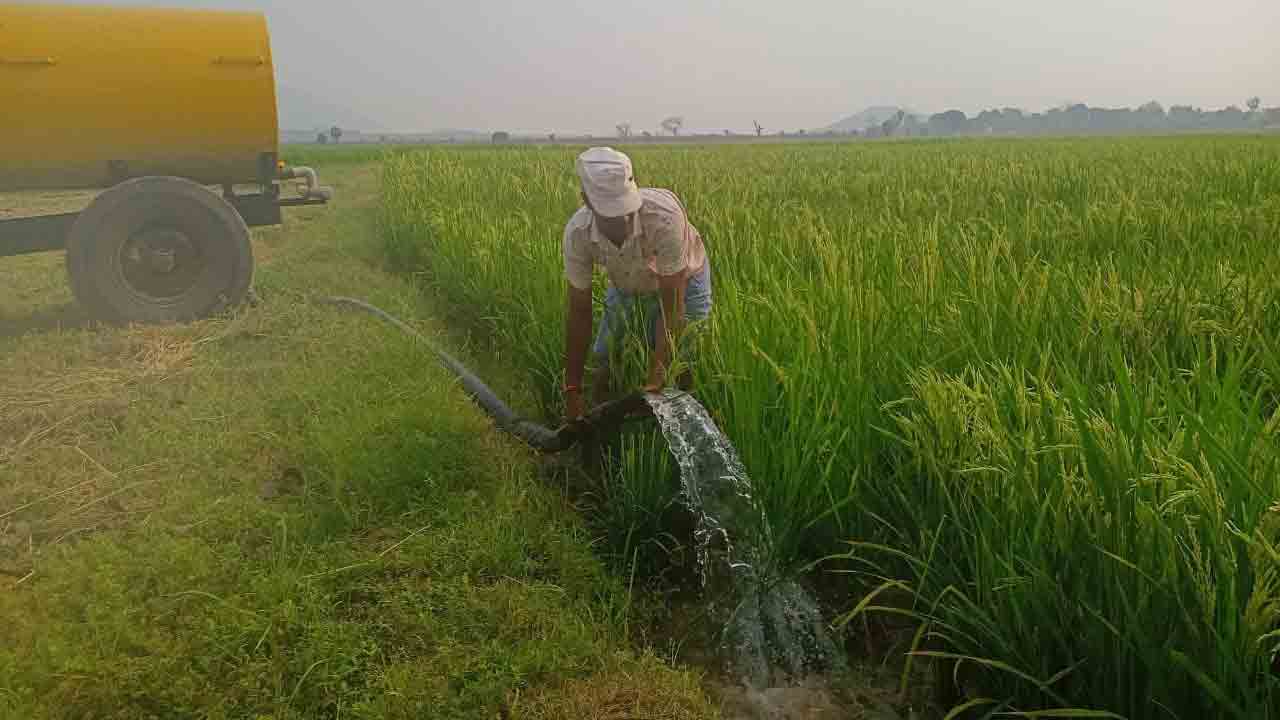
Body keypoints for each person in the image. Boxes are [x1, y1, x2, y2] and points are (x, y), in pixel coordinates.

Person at [561, 147, 712, 421]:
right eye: (612, 216)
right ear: (587, 202)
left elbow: (672, 310)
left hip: (683, 278)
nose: (625, 221)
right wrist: (572, 389)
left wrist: (657, 375)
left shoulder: (664, 218)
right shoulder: (577, 235)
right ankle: (597, 430)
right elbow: (579, 312)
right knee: (607, 357)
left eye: (627, 210)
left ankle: (676, 424)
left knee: (682, 359)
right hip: (629, 280)